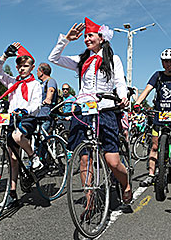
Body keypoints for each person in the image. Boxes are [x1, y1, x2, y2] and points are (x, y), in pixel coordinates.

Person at [48, 17, 132, 203]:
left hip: (105, 109)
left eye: (90, 35)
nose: (87, 39)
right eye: (85, 36)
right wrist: (67, 40)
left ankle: (126, 184)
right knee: (84, 158)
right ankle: (89, 198)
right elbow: (53, 58)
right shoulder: (81, 59)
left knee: (112, 161)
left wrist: (122, 95)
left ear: (101, 38)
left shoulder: (113, 59)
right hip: (83, 110)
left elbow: (119, 81)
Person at [134, 48, 171, 188]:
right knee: (154, 146)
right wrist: (137, 103)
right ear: (162, 62)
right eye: (166, 61)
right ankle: (150, 175)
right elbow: (147, 89)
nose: (168, 64)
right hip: (160, 116)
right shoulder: (158, 75)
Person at [0, 42, 42, 209]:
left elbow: (36, 104)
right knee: (13, 159)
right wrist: (5, 56)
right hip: (12, 120)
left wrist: (25, 110)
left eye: (26, 66)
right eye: (20, 66)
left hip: (27, 119)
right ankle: (12, 194)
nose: (22, 69)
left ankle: (33, 156)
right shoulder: (11, 82)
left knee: (18, 136)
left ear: (32, 67)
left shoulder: (35, 84)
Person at [36, 62, 57, 132]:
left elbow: (51, 90)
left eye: (37, 71)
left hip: (46, 114)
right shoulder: (40, 84)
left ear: (41, 71)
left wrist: (48, 99)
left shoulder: (51, 81)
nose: (36, 73)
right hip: (38, 114)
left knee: (42, 135)